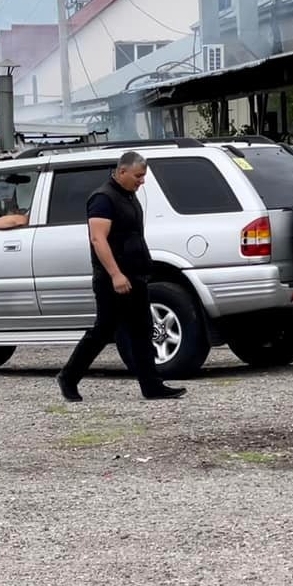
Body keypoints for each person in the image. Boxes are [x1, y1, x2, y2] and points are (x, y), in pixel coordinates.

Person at [56, 152, 186, 403]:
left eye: (143, 176)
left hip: (135, 275)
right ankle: (69, 377)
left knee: (142, 329)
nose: (142, 181)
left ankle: (152, 386)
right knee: (103, 331)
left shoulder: (128, 196)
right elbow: (98, 239)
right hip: (111, 279)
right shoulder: (104, 198)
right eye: (138, 176)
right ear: (122, 171)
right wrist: (115, 274)